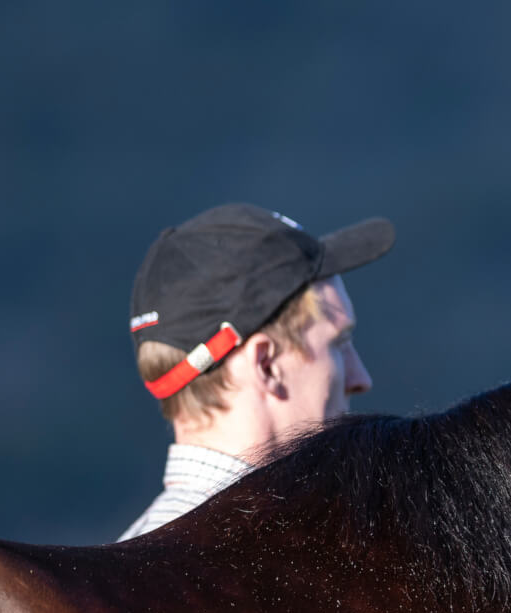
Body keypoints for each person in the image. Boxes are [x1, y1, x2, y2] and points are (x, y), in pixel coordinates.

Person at [118, 204, 395, 540]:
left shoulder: (131, 565)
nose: (360, 379)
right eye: (338, 343)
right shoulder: (264, 565)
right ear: (266, 365)